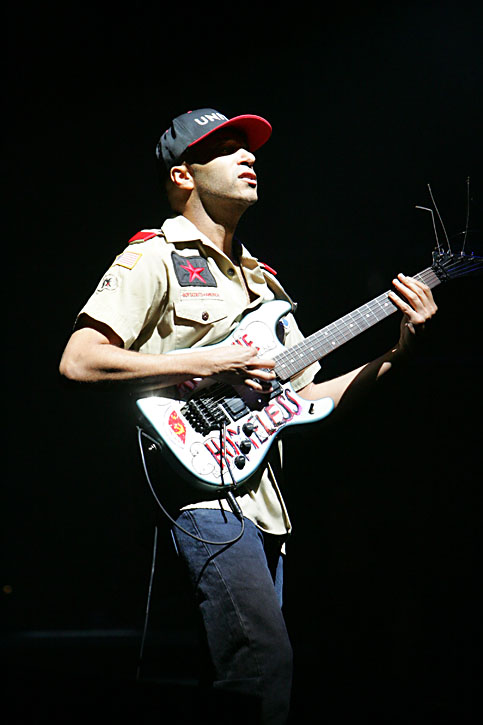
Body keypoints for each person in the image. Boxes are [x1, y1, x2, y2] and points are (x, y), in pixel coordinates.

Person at [59, 108, 438, 724]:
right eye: (228, 147)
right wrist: (213, 360)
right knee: (263, 665)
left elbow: (311, 399)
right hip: (197, 494)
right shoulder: (155, 257)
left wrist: (399, 353)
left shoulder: (267, 288)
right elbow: (79, 361)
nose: (249, 156)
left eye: (250, 147)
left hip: (263, 505)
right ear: (183, 175)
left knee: (236, 682)